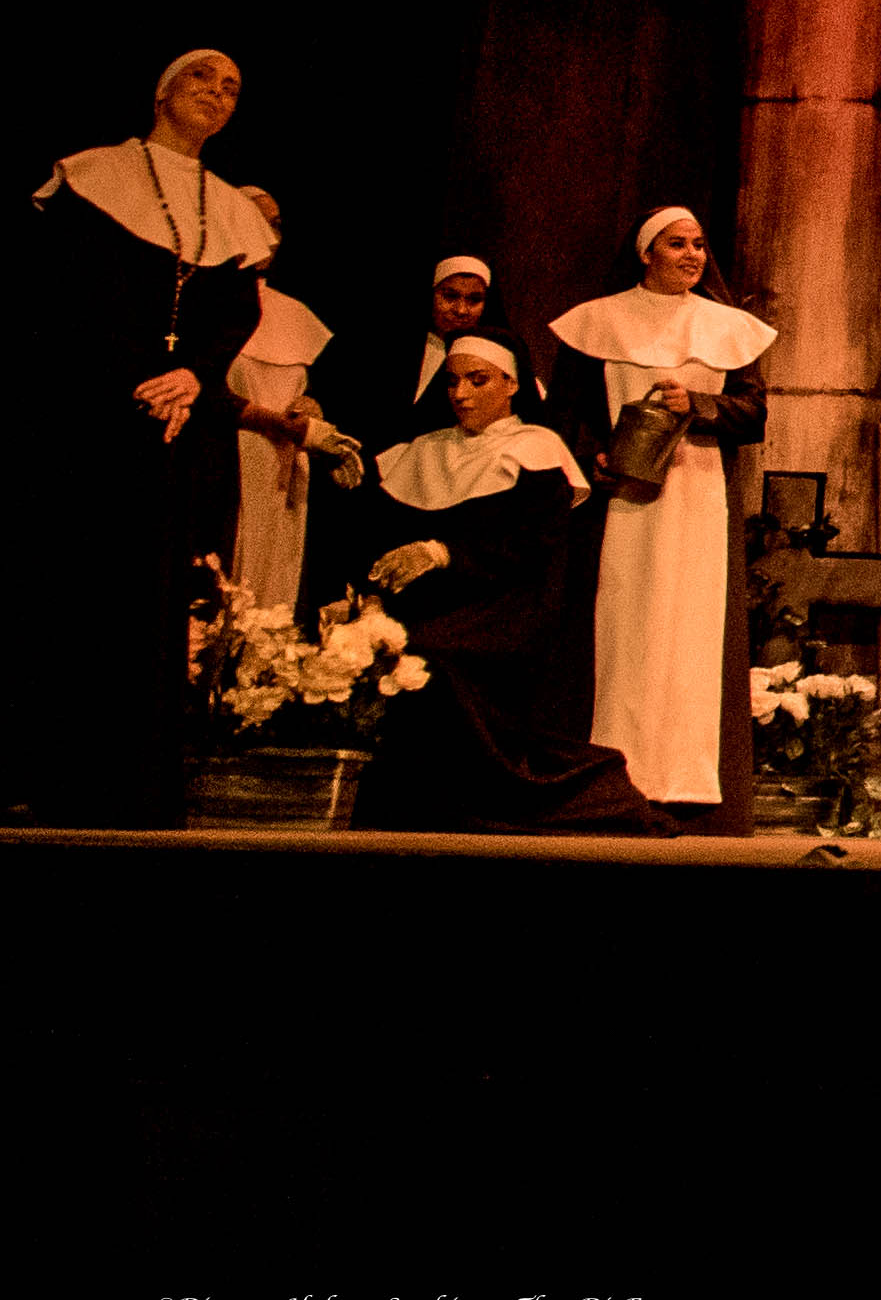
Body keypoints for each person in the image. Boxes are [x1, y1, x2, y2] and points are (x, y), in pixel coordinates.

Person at [25, 48, 272, 825]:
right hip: (88, 411)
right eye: (203, 77)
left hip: (177, 419)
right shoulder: (92, 174)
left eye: (232, 88)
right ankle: (54, 775)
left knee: (155, 597)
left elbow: (234, 311)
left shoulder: (225, 205)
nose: (218, 94)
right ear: (162, 91)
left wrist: (193, 375)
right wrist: (139, 377)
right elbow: (63, 295)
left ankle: (133, 786)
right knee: (75, 583)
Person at [348, 339, 667, 835]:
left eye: (478, 380)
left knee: (431, 652)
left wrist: (444, 554)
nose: (461, 394)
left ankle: (515, 797)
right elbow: (381, 537)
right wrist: (370, 595)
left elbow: (533, 547)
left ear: (512, 383)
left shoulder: (536, 449)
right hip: (430, 604)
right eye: (452, 381)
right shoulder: (424, 450)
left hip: (509, 606)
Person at [552, 207, 775, 833]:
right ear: (645, 253)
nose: (692, 255)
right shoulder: (597, 321)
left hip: (699, 496)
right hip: (619, 501)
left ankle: (687, 785)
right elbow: (563, 418)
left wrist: (698, 403)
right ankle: (610, 780)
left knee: (690, 628)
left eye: (699, 244)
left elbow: (753, 414)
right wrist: (591, 458)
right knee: (621, 629)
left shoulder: (727, 327)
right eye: (677, 244)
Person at [225, 187, 364, 621]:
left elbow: (309, 389)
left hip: (285, 466)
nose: (269, 235)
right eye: (256, 219)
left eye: (277, 225)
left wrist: (311, 408)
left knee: (273, 597)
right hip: (226, 463)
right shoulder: (207, 305)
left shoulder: (294, 313)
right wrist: (278, 422)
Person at [393, 255, 546, 447]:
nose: (461, 310)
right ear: (431, 294)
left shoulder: (503, 361)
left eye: (474, 300)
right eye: (450, 297)